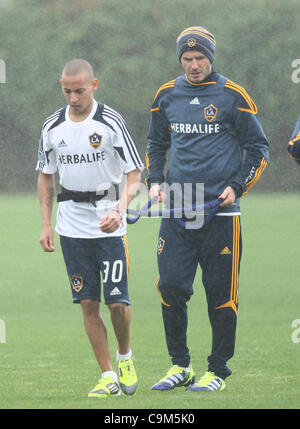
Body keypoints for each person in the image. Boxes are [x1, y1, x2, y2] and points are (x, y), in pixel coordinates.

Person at [146, 26, 269, 392]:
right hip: (178, 211)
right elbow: (156, 143)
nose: (194, 64)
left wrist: (238, 187)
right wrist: (155, 180)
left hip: (221, 214)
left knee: (221, 294)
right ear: (180, 59)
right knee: (170, 286)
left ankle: (217, 370)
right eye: (187, 59)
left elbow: (259, 150)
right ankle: (179, 365)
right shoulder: (166, 95)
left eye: (200, 58)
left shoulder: (233, 95)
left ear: (211, 58)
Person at [36, 58, 144, 398]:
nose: (73, 98)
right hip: (71, 227)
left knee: (117, 304)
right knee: (87, 303)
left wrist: (120, 209)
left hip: (109, 226)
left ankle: (124, 356)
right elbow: (45, 175)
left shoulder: (110, 121)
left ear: (93, 85)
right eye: (67, 91)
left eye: (79, 91)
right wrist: (45, 224)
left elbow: (135, 173)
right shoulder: (52, 127)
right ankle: (108, 375)